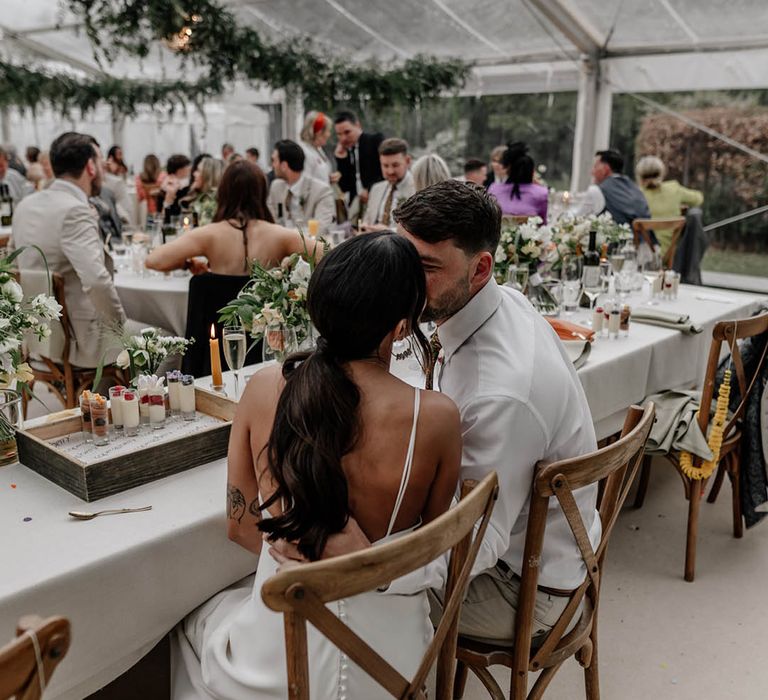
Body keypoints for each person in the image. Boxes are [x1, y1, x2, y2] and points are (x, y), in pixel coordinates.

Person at [274, 180, 600, 647]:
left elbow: (477, 545)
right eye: (401, 258)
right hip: (533, 549)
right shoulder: (495, 302)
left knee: (325, 598)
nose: (401, 282)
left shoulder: (500, 393)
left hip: (523, 590)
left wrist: (368, 564)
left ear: (481, 267)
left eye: (424, 268)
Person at [172, 231, 461, 699]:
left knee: (191, 624)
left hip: (277, 668)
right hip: (392, 667)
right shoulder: (438, 417)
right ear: (404, 325)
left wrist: (305, 557)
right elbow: (432, 551)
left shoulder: (265, 387)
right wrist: (359, 564)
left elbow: (240, 525)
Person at [11, 132, 152, 367]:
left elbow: (14, 269)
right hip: (79, 342)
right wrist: (120, 327)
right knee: (169, 343)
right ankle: (121, 400)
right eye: (99, 161)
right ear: (90, 167)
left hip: (38, 338)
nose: (104, 168)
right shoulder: (75, 210)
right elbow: (97, 282)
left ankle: (105, 394)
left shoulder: (25, 206)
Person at [146, 160, 321, 276]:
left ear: (223, 193)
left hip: (215, 327)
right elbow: (332, 256)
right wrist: (292, 265)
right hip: (266, 328)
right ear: (262, 193)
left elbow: (154, 261)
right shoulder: (281, 236)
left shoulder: (208, 235)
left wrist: (186, 264)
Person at [635, 155, 704, 253]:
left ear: (639, 175)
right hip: (669, 255)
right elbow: (699, 198)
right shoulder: (674, 189)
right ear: (661, 173)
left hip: (642, 254)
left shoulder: (636, 194)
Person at [267, 140, 335, 234]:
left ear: (284, 166)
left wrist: (287, 238)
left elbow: (320, 229)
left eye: (274, 161)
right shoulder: (276, 187)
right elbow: (270, 223)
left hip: (309, 247)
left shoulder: (322, 191)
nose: (272, 165)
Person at [576, 149, 652, 229]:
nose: (592, 172)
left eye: (595, 166)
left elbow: (578, 219)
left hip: (618, 240)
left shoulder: (596, 190)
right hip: (646, 240)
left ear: (605, 169)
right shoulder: (635, 189)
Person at [332, 110, 383, 214]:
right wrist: (341, 159)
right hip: (356, 208)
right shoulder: (346, 151)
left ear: (357, 125)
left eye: (347, 132)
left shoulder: (375, 141)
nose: (343, 138)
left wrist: (370, 190)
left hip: (378, 202)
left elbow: (385, 172)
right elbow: (344, 186)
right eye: (339, 134)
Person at [361, 138, 414, 231]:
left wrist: (388, 232)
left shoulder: (417, 189)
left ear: (408, 161)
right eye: (385, 166)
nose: (390, 171)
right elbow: (367, 220)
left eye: (395, 165)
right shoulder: (376, 189)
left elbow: (417, 230)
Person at [487, 142, 548, 222]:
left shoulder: (493, 190)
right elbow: (543, 223)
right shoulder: (541, 193)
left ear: (508, 170)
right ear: (532, 171)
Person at [180, 156, 224, 227]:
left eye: (198, 170)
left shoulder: (210, 201)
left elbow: (201, 231)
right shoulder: (202, 197)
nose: (194, 174)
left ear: (208, 175)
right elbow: (186, 225)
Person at [299, 110, 333, 183]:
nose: (329, 134)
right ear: (319, 132)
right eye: (328, 131)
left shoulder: (318, 149)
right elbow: (306, 182)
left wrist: (329, 178)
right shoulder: (304, 152)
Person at [156, 154, 192, 221]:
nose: (190, 168)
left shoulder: (164, 186)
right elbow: (161, 218)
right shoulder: (178, 188)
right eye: (187, 166)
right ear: (180, 170)